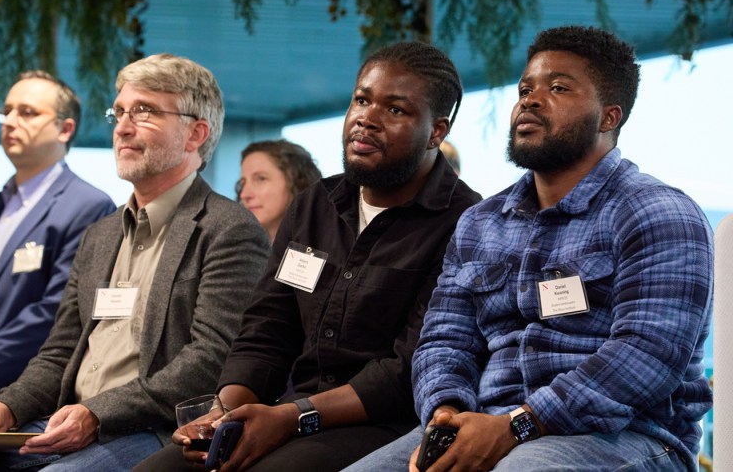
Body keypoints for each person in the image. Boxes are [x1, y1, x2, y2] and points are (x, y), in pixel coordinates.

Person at [343, 26, 713, 472]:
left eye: (558, 88)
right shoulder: (480, 223)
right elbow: (444, 340)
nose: (530, 100)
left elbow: (646, 357)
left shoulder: (657, 213)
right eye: (525, 88)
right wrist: (445, 415)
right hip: (485, 423)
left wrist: (519, 425)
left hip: (628, 436)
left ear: (609, 117)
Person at [134, 40, 483, 472]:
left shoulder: (465, 221)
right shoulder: (315, 203)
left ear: (437, 131)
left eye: (395, 110)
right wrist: (226, 410)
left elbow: (408, 368)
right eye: (361, 100)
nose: (366, 120)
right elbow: (267, 326)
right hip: (286, 411)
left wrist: (290, 419)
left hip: (382, 422)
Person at [0, 53, 271, 470]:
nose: (123, 127)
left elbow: (210, 359)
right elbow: (59, 352)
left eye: (144, 112)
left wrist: (98, 413)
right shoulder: (102, 234)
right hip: (64, 423)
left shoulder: (228, 228)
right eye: (121, 112)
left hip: (154, 430)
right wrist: (6, 407)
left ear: (195, 133)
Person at [0, 71, 116, 449]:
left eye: (28, 112)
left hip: (16, 402)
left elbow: (52, 314)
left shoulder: (87, 207)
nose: (11, 121)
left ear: (65, 129)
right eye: (8, 111)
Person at [237, 139, 322, 242]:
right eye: (243, 183)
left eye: (261, 179)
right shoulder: (241, 247)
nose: (244, 195)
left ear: (297, 181)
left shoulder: (330, 244)